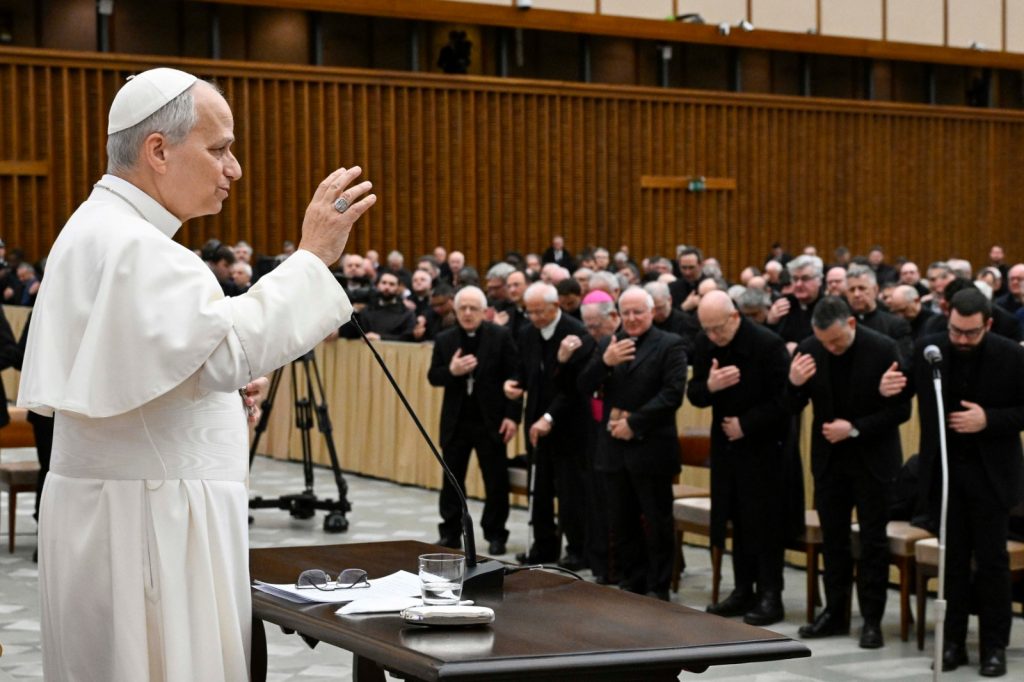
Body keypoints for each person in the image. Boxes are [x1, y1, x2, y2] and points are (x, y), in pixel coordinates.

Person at [18, 67, 376, 680]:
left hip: (119, 514)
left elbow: (164, 368)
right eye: (219, 149)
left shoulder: (99, 227)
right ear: (158, 150)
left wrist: (214, 389)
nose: (234, 168)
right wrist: (313, 257)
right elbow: (226, 350)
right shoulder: (137, 245)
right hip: (151, 527)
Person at [880, 288, 1024, 677]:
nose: (961, 339)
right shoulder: (930, 349)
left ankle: (994, 647)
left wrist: (988, 420)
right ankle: (953, 643)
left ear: (988, 324)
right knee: (953, 563)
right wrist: (888, 388)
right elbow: (902, 388)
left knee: (992, 564)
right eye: (956, 330)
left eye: (971, 333)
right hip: (945, 476)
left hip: (992, 477)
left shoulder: (1011, 355)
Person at [784, 297, 910, 649]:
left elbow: (901, 411)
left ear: (851, 324)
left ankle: (871, 620)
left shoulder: (883, 348)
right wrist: (794, 383)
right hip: (830, 462)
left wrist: (853, 429)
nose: (830, 348)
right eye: (824, 341)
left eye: (836, 341)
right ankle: (835, 613)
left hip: (873, 461)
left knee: (872, 542)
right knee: (834, 541)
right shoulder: (810, 348)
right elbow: (790, 406)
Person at [688, 291, 791, 625]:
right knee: (736, 520)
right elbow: (694, 394)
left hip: (765, 448)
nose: (713, 336)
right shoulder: (705, 343)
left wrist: (746, 424)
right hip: (727, 449)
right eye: (706, 330)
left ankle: (771, 595)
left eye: (718, 328)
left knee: (764, 523)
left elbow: (786, 401)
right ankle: (743, 589)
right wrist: (711, 386)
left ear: (734, 317)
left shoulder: (768, 344)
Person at [578, 286, 687, 600]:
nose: (632, 318)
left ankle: (658, 585)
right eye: (626, 313)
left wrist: (633, 424)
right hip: (614, 450)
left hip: (652, 448)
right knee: (622, 521)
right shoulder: (609, 344)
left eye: (638, 311)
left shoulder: (670, 344)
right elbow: (583, 385)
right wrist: (605, 362)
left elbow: (672, 395)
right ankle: (632, 581)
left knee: (657, 521)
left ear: (652, 312)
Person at [504, 282, 593, 567]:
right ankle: (543, 546)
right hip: (536, 424)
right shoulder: (527, 332)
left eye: (539, 311)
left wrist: (550, 417)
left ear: (556, 306)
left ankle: (578, 549)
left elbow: (574, 387)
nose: (534, 317)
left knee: (570, 491)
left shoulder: (576, 333)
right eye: (529, 312)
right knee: (539, 487)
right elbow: (523, 369)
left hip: (569, 424)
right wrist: (513, 384)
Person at [427, 286, 520, 555]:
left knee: (496, 481)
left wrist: (512, 416)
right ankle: (450, 533)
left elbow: (515, 378)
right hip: (457, 422)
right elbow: (433, 376)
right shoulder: (445, 339)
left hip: (491, 420)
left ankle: (496, 533)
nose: (467, 313)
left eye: (473, 308)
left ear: (484, 311)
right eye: (462, 308)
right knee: (452, 482)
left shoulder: (500, 336)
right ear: (455, 311)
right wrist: (452, 371)